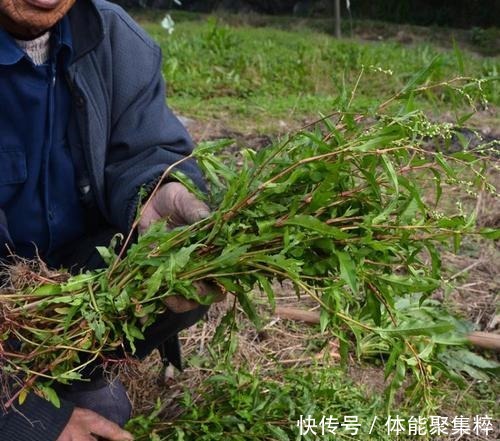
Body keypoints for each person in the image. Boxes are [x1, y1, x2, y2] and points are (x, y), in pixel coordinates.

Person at [0, 0, 222, 440]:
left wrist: (159, 190)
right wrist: (32, 424)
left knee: (176, 266)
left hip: (65, 294)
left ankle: (64, 376)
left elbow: (148, 149)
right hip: (8, 308)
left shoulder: (113, 37)